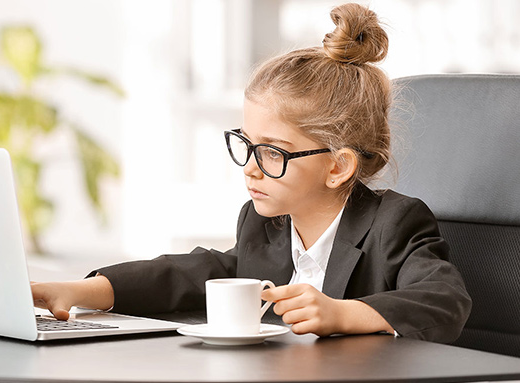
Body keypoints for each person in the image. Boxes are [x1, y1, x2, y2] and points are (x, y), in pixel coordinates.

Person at [31, 3, 472, 343]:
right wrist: (88, 290)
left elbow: (446, 299)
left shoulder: (394, 224)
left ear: (338, 166)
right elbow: (202, 274)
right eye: (246, 146)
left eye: (273, 153)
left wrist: (344, 313)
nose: (251, 169)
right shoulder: (264, 221)